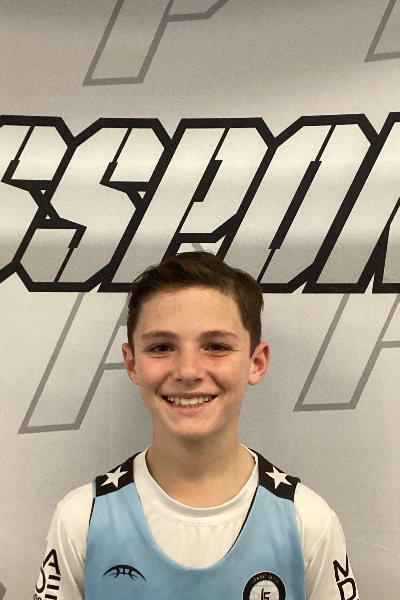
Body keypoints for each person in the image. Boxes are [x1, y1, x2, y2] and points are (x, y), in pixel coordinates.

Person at [35, 251, 358, 600]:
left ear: (257, 362)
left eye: (216, 346)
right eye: (162, 347)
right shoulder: (82, 519)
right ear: (132, 364)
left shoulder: (306, 522)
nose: (188, 371)